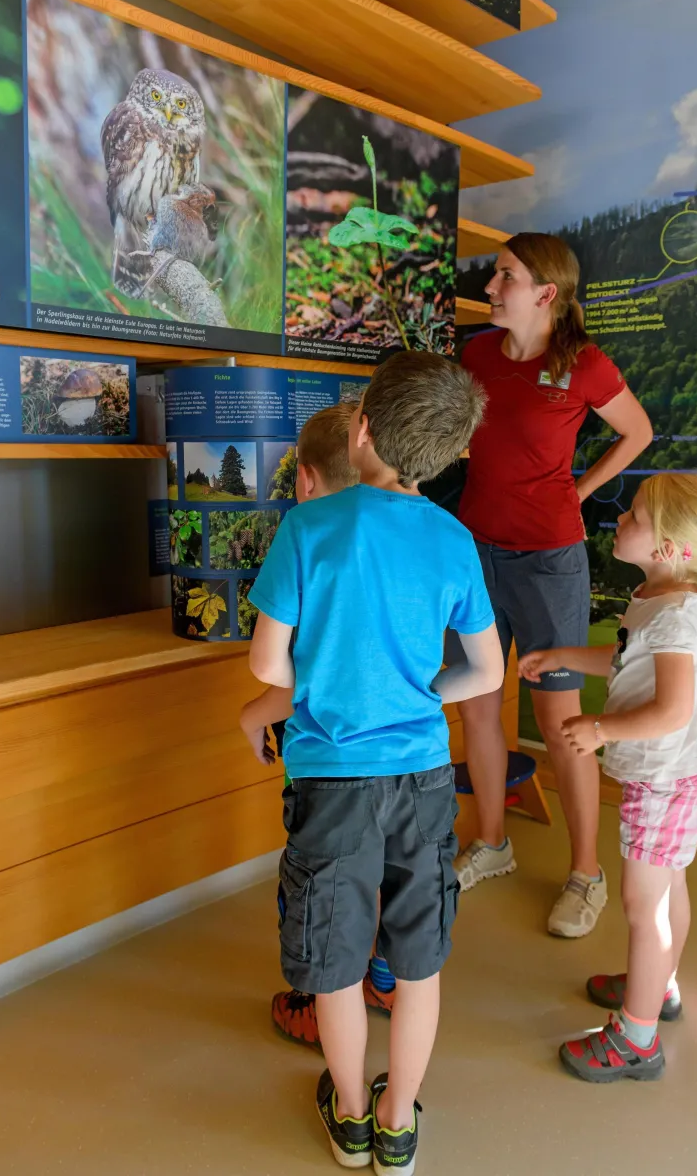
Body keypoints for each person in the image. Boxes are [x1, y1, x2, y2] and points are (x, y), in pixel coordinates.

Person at [247, 353, 503, 1174]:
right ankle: (397, 1126)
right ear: (448, 455)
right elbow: (486, 672)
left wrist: (325, 680)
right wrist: (421, 691)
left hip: (330, 781)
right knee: (418, 961)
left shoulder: (309, 527)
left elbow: (267, 666)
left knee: (334, 961)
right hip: (423, 780)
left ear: (360, 430)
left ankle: (351, 1114)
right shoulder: (454, 539)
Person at [449, 232, 654, 939]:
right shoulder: (476, 355)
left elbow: (637, 432)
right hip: (475, 552)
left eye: (505, 276)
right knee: (477, 706)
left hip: (547, 560)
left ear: (546, 292)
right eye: (495, 274)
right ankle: (491, 843)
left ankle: (585, 874)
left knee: (564, 725)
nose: (491, 286)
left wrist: (580, 488)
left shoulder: (583, 363)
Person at [519, 473, 697, 1081]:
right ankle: (657, 983)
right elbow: (626, 661)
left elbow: (671, 710)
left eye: (635, 514)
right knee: (666, 893)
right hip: (670, 778)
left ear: (668, 547)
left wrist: (600, 729)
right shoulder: (658, 598)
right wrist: (564, 657)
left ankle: (636, 1039)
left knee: (646, 907)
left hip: (664, 783)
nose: (620, 517)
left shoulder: (676, 618)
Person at [239, 402, 397, 1049]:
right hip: (405, 767)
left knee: (324, 891)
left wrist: (252, 716)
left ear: (304, 479)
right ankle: (382, 977)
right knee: (384, 873)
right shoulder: (401, 537)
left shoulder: (305, 535)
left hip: (328, 768)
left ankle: (315, 1005)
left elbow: (297, 676)